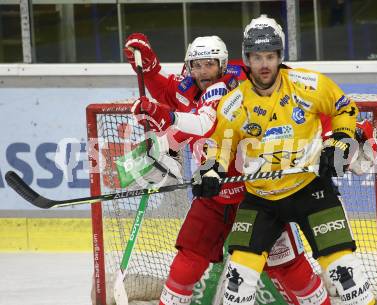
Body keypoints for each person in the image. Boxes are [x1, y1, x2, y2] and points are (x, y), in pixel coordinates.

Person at [124, 34, 331, 305]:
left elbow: (204, 123)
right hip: (214, 194)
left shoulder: (231, 86)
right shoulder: (190, 85)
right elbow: (167, 92)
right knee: (188, 261)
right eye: (196, 65)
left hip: (256, 195)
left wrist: (165, 117)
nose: (202, 72)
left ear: (222, 65)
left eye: (208, 64)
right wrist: (150, 69)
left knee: (287, 267)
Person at [193, 15, 376, 305]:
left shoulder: (308, 84)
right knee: (238, 278)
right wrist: (210, 171)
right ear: (247, 59)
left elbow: (344, 107)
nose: (264, 64)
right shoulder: (234, 103)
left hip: (310, 187)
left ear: (280, 56)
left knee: (343, 270)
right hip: (260, 197)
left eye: (270, 56)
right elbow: (219, 145)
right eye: (256, 57)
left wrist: (339, 141)